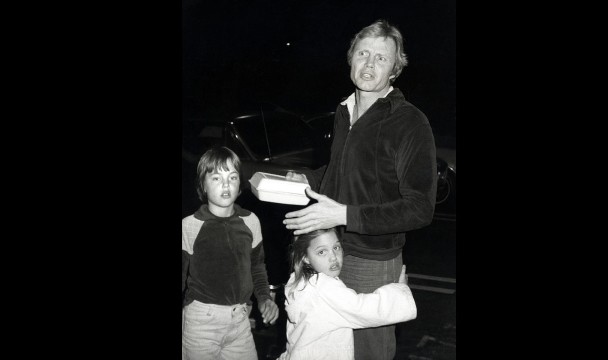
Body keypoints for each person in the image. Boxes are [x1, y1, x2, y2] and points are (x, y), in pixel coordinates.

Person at [282, 19, 437, 360]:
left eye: (381, 58)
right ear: (350, 58)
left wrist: (344, 214)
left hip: (372, 258)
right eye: (363, 53)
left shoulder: (410, 122)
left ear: (396, 69)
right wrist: (307, 180)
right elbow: (342, 172)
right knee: (324, 345)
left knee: (369, 353)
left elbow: (420, 207)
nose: (369, 64)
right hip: (329, 246)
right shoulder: (344, 111)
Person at [182, 146, 279, 360]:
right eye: (216, 178)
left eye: (232, 177)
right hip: (201, 323)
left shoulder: (251, 221)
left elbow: (257, 266)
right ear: (203, 186)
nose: (226, 184)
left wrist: (264, 298)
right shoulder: (189, 226)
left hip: (240, 321)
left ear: (240, 185)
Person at [277, 228, 416, 360]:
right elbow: (363, 309)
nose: (333, 257)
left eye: (336, 247)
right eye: (322, 252)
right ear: (305, 258)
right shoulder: (325, 288)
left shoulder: (298, 281)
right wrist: (400, 291)